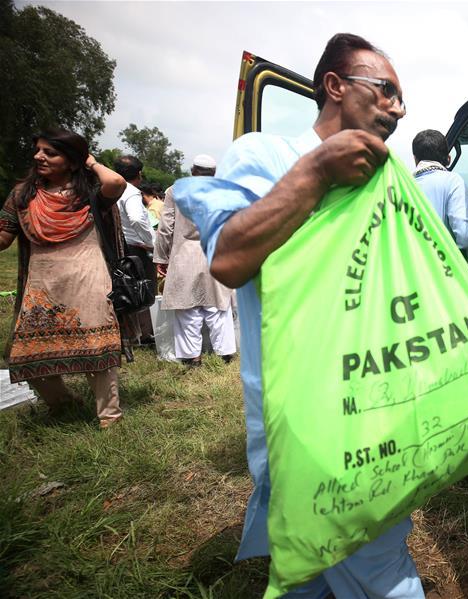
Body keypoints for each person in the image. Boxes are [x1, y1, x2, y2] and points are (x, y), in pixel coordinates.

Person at [175, 33, 423, 598]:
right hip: (300, 409)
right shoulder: (265, 155)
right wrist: (316, 174)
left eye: (403, 99)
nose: (398, 109)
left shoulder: (388, 178)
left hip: (373, 399)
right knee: (318, 557)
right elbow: (231, 259)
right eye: (385, 91)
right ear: (335, 87)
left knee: (360, 549)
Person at [0, 128, 127, 428]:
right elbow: (4, 237)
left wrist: (92, 163)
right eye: (38, 150)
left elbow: (116, 182)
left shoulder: (90, 195)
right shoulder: (22, 195)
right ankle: (64, 404)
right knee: (26, 355)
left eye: (49, 152)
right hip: (42, 285)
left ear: (72, 161)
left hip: (88, 280)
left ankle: (109, 416)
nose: (38, 156)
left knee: (97, 350)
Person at [153, 155, 236, 367]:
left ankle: (192, 358)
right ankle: (225, 355)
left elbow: (165, 227)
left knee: (187, 308)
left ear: (192, 171)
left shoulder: (175, 191)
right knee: (219, 306)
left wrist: (161, 256)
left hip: (185, 253)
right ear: (214, 173)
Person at [412, 129, 468, 262]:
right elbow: (466, 237)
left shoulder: (403, 185)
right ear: (448, 159)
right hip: (442, 272)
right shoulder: (452, 181)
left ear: (415, 158)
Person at [113, 155, 155, 345]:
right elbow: (137, 219)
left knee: (125, 289)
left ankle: (131, 335)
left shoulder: (113, 190)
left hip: (119, 246)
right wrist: (150, 241)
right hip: (136, 249)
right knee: (142, 291)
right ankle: (144, 335)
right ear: (139, 174)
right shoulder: (131, 193)